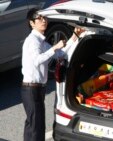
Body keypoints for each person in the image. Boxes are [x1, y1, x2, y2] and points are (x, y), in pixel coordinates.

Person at [20, 8, 84, 141]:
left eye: (45, 18)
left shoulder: (42, 41)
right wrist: (55, 47)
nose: (44, 21)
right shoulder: (32, 41)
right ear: (32, 23)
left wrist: (74, 36)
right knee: (35, 127)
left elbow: (61, 54)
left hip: (38, 88)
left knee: (34, 125)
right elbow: (38, 60)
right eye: (39, 18)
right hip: (31, 88)